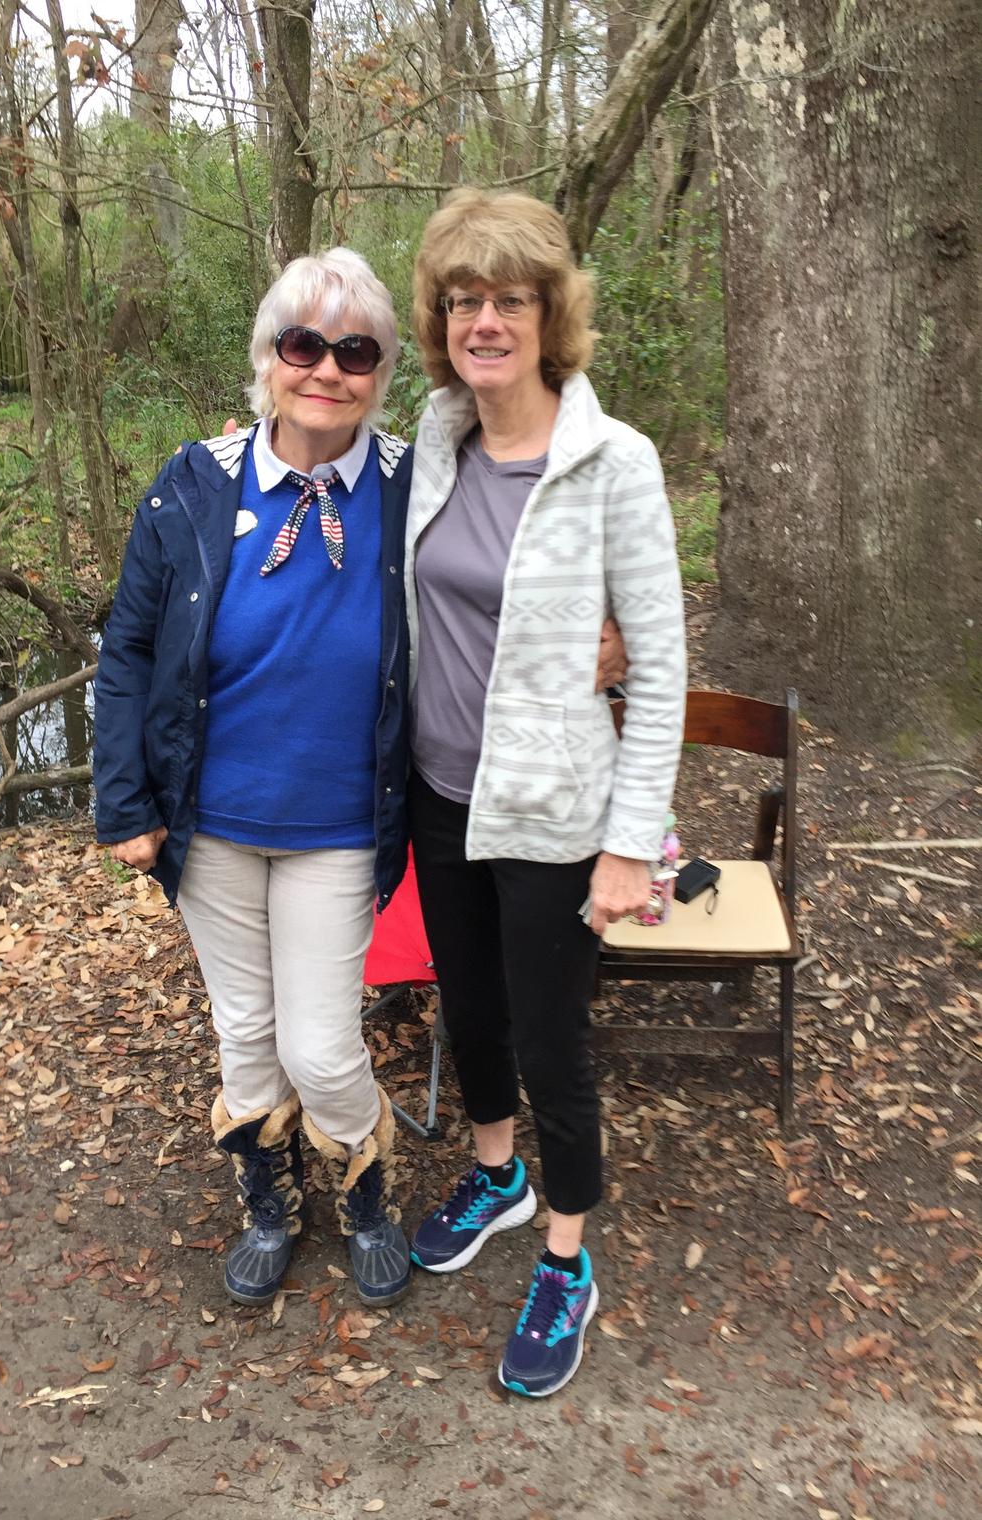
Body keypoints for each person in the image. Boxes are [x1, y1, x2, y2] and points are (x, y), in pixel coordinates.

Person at [404, 189, 687, 1398]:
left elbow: (660, 669)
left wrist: (629, 844)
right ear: (441, 320)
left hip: (555, 812)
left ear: (549, 313)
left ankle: (567, 1254)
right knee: (469, 1009)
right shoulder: (432, 440)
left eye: (509, 298)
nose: (485, 320)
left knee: (552, 1038)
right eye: (463, 299)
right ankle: (499, 1176)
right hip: (440, 792)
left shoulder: (615, 463)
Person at [93, 249, 415, 1309]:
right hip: (212, 820)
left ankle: (364, 1186)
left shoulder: (418, 486)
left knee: (320, 1045)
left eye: (355, 351)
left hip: (341, 824)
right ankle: (269, 1198)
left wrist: (598, 631)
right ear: (269, 356)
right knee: (245, 1031)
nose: (326, 369)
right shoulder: (193, 482)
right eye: (303, 344)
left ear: (381, 371)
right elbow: (129, 649)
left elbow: (496, 576)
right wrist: (125, 801)